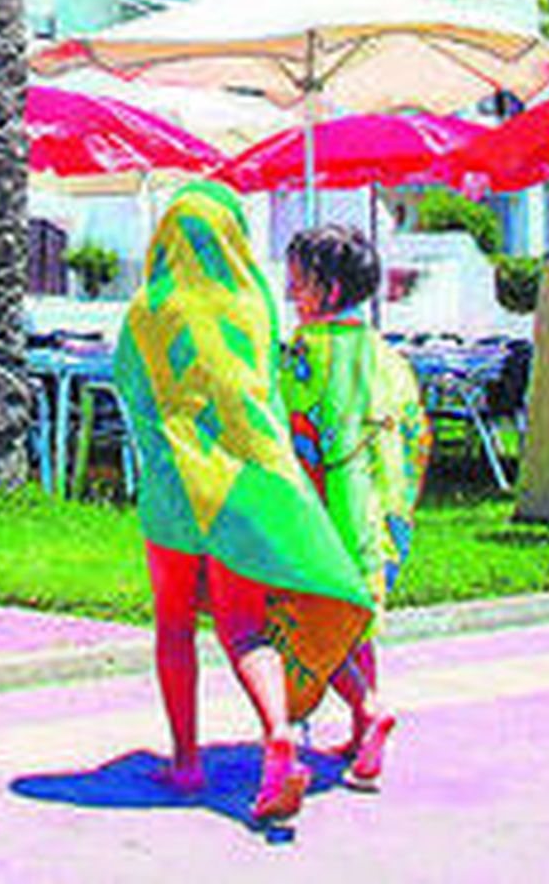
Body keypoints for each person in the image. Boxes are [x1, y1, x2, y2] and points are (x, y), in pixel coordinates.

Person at [112, 181, 372, 823]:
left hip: (175, 493)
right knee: (243, 628)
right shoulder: (257, 304)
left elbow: (129, 389)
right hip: (246, 491)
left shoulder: (147, 309)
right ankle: (278, 734)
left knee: (175, 627)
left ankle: (185, 761)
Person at [281, 224, 430, 792]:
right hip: (381, 516)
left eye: (300, 281)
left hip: (322, 517)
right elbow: (417, 435)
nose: (291, 290)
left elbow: (282, 429)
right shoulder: (390, 356)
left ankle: (369, 710)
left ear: (330, 289)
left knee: (313, 627)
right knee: (356, 623)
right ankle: (364, 737)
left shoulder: (302, 353)